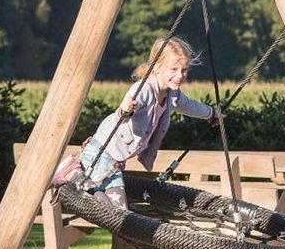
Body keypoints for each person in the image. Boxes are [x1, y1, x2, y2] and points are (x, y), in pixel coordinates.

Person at [53, 37, 219, 208]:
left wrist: (212, 114)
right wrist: (126, 110)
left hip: (115, 163)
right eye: (174, 69)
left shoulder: (172, 94)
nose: (179, 75)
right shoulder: (145, 89)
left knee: (119, 214)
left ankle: (75, 173)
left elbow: (190, 106)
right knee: (104, 209)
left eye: (184, 70)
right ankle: (73, 172)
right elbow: (126, 109)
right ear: (156, 67)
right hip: (100, 153)